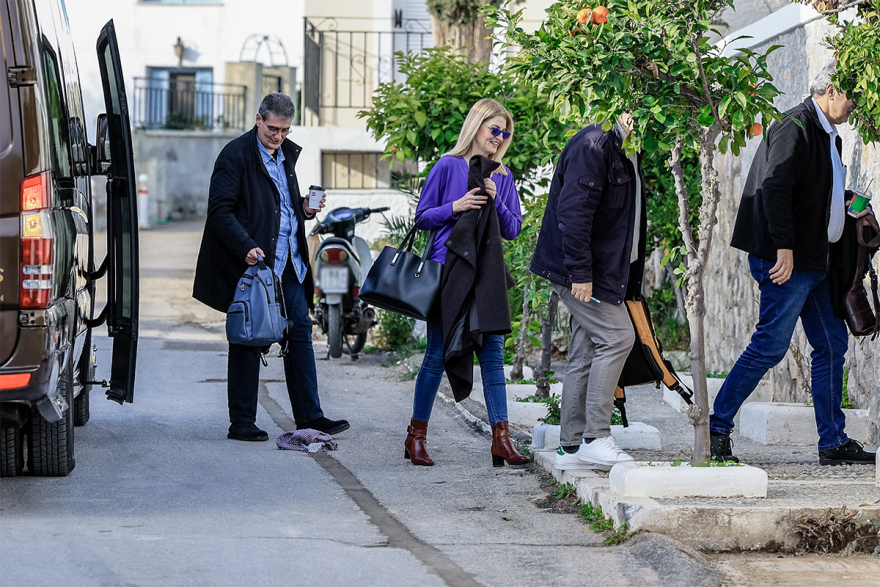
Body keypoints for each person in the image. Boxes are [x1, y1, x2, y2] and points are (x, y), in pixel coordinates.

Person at [710, 61, 876, 466]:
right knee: (769, 346)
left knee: (832, 345)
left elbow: (816, 188)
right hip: (788, 260)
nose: (855, 106)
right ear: (832, 89)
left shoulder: (828, 135)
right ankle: (716, 428)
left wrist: (849, 203)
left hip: (816, 260)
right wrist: (783, 246)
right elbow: (775, 187)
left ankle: (833, 443)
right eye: (852, 97)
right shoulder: (795, 126)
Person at [193, 93, 349, 441]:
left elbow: (280, 206)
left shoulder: (284, 157)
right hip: (256, 267)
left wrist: (305, 210)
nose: (278, 136)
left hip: (290, 265)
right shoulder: (235, 156)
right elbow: (220, 210)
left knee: (300, 335)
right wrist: (245, 246)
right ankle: (242, 423)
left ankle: (311, 417)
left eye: (285, 131)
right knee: (249, 337)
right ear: (258, 119)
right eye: (273, 129)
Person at [406, 98, 529, 467]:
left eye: (505, 133)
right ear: (476, 127)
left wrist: (498, 200)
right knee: (436, 354)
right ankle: (416, 438)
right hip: (449, 272)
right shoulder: (447, 166)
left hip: (486, 275)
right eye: (495, 129)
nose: (500, 137)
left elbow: (513, 229)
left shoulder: (503, 177)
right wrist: (455, 207)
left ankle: (502, 440)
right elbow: (422, 217)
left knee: (492, 355)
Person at [530, 114, 646, 471]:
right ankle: (597, 437)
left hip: (600, 272)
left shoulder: (625, 145)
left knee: (586, 348)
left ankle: (571, 447)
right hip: (580, 272)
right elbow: (574, 213)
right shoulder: (594, 144)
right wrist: (581, 272)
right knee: (618, 337)